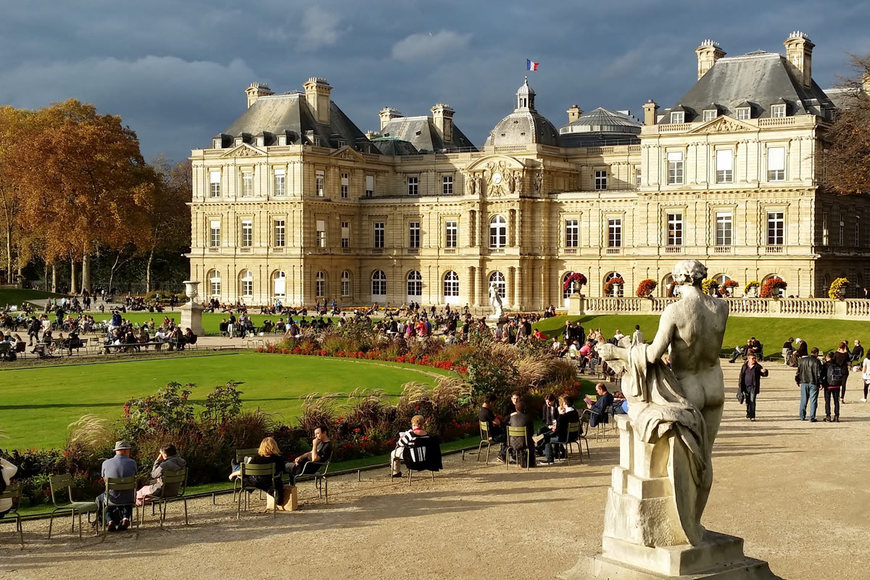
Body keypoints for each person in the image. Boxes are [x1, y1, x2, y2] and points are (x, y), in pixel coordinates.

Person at [96, 440, 138, 531]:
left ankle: (109, 520)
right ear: (125, 450)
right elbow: (134, 477)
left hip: (112, 496)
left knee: (103, 498)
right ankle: (125, 518)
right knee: (126, 495)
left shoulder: (106, 463)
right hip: (129, 497)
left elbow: (105, 481)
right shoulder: (132, 463)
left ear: (116, 451)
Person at [230, 437, 285, 503]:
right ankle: (236, 467)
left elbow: (245, 472)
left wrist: (232, 474)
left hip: (255, 481)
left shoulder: (257, 459)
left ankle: (235, 468)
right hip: (271, 481)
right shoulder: (278, 459)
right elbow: (282, 470)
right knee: (244, 469)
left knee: (242, 469)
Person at [543, 395, 580, 464]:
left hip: (565, 437)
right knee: (546, 435)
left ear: (565, 404)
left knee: (546, 438)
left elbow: (558, 430)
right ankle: (558, 453)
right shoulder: (575, 412)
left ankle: (550, 459)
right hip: (574, 436)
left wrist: (560, 414)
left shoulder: (563, 416)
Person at [795, 347, 822, 422]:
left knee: (803, 399)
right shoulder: (817, 361)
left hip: (804, 381)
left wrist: (797, 380)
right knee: (813, 400)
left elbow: (798, 371)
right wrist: (821, 382)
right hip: (813, 382)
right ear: (816, 353)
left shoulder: (803, 360)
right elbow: (819, 373)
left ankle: (802, 416)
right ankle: (812, 417)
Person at [738, 354, 768, 421]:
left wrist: (765, 372)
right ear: (748, 359)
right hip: (745, 386)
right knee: (748, 401)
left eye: (755, 358)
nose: (754, 359)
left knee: (752, 400)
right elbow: (741, 376)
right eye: (752, 358)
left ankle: (752, 416)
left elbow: (764, 374)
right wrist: (740, 386)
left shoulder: (757, 367)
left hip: (753, 387)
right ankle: (748, 413)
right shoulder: (744, 366)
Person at [507, 399, 535, 467]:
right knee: (531, 442)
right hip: (524, 443)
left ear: (516, 409)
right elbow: (531, 432)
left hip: (512, 443)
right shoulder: (528, 418)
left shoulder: (512, 418)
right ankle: (531, 462)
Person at [478, 394, 506, 463]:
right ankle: (502, 454)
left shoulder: (480, 411)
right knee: (508, 436)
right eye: (493, 403)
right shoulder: (487, 412)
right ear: (490, 402)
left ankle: (503, 454)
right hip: (492, 436)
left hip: (485, 434)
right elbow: (498, 422)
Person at [832, 341, 851, 406]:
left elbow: (833, 361)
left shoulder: (836, 353)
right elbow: (848, 361)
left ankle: (837, 396)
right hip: (844, 370)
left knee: (837, 384)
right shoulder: (846, 354)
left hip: (837, 370)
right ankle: (842, 397)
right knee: (843, 384)